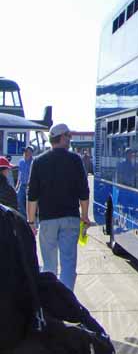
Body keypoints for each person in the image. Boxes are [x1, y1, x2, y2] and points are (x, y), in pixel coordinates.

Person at [27, 123, 90, 291]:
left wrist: (31, 222)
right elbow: (84, 191)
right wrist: (84, 216)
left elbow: (32, 195)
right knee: (68, 264)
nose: (70, 139)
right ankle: (66, 301)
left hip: (47, 220)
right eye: (68, 135)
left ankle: (51, 306)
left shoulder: (39, 162)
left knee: (49, 265)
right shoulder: (75, 160)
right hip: (70, 218)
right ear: (61, 137)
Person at [15, 146, 33, 217]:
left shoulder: (34, 162)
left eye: (27, 151)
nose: (25, 153)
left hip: (30, 186)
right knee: (19, 200)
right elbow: (20, 174)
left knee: (30, 202)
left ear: (31, 153)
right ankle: (24, 216)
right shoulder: (21, 161)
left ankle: (31, 216)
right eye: (25, 151)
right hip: (22, 185)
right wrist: (17, 185)